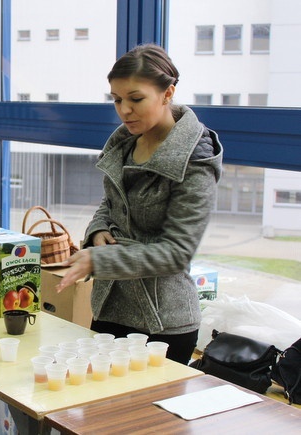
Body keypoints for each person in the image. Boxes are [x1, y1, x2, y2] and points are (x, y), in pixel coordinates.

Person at [56, 43, 223, 364]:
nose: (124, 110)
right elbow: (111, 200)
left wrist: (100, 262)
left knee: (140, 415)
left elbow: (176, 253)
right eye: (117, 100)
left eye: (135, 99)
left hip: (163, 323)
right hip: (111, 305)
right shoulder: (126, 141)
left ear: (167, 93)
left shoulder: (196, 160)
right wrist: (99, 229)